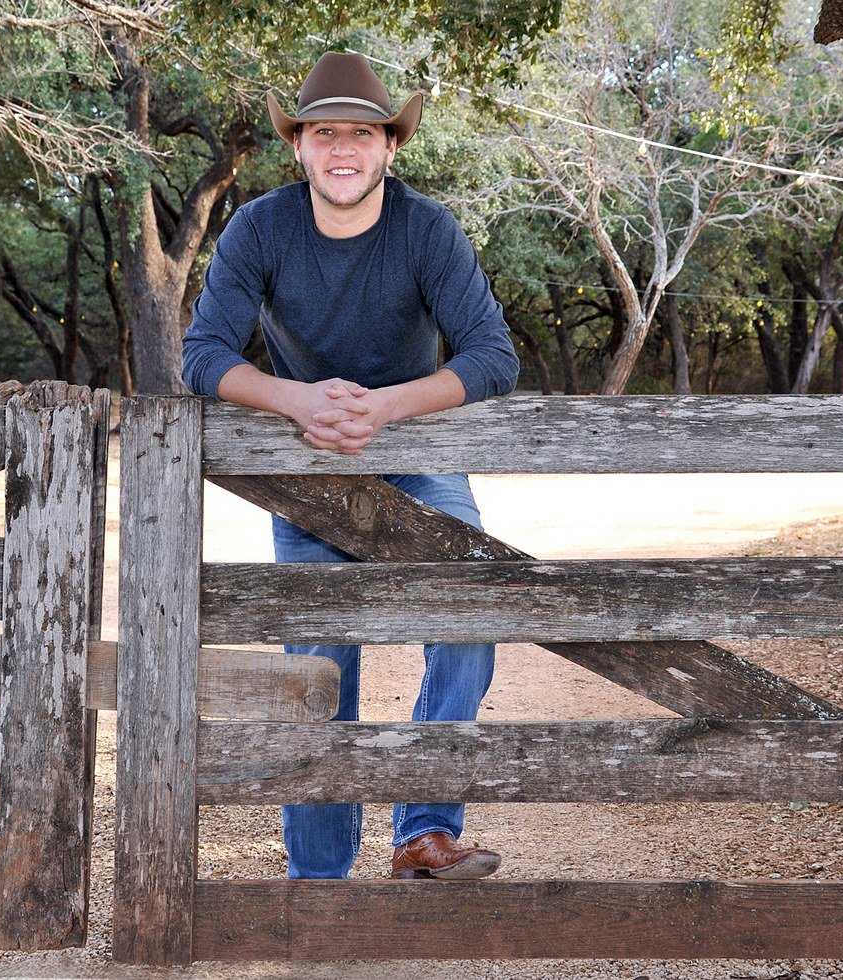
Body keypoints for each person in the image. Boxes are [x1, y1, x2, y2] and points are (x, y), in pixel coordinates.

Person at [180, 51, 520, 881]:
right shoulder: (259, 229)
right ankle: (320, 882)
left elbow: (493, 355)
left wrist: (389, 406)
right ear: (297, 144)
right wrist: (293, 400)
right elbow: (203, 355)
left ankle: (425, 834)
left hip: (418, 457)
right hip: (308, 470)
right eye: (324, 132)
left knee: (469, 618)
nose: (343, 149)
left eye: (362, 134)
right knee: (319, 667)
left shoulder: (427, 230)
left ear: (390, 147)